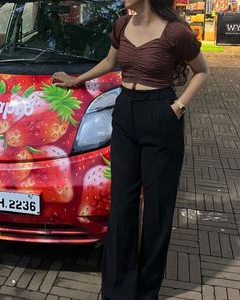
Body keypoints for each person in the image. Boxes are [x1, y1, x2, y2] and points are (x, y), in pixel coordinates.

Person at [51, 0, 209, 299]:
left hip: (160, 115)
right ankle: (118, 289)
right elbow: (110, 63)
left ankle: (147, 290)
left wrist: (177, 107)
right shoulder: (122, 25)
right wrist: (76, 80)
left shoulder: (175, 31)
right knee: (122, 204)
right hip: (125, 113)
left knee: (157, 208)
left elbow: (202, 70)